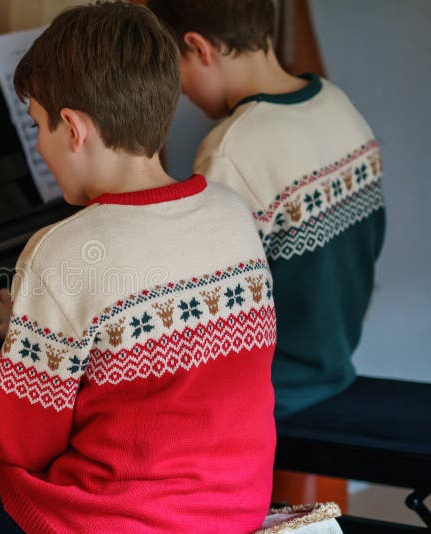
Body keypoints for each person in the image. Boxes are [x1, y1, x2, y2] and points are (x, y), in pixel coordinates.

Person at [0, 3, 276, 532]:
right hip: (232, 507)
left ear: (73, 128)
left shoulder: (64, 249)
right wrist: (39, 341)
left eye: (37, 126)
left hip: (117, 519)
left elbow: (23, 442)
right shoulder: (231, 212)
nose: (38, 146)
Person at [148, 0, 386, 419]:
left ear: (199, 47)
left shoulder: (232, 149)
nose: (179, 90)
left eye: (174, 70)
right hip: (336, 362)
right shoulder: (338, 104)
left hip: (269, 393)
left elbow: (201, 310)